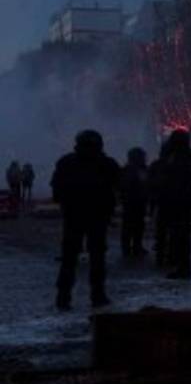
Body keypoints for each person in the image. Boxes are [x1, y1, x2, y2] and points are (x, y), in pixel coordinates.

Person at [51, 130, 119, 310]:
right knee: (97, 257)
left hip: (74, 216)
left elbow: (56, 191)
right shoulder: (106, 164)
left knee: (69, 258)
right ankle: (97, 295)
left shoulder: (66, 163)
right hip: (98, 217)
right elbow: (119, 186)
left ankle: (63, 297)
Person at [160, 129, 191, 279]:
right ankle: (181, 265)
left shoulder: (179, 158)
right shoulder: (190, 157)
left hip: (177, 199)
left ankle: (183, 267)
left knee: (179, 235)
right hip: (184, 199)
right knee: (180, 234)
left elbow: (168, 175)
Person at [118, 147, 149, 258]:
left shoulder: (128, 169)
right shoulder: (134, 170)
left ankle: (133, 247)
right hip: (133, 202)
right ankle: (131, 247)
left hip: (134, 202)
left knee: (135, 225)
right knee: (133, 226)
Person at [147, 140, 171, 267]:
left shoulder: (156, 165)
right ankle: (164, 255)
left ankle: (162, 256)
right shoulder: (158, 165)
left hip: (164, 202)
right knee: (166, 230)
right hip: (165, 202)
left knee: (163, 230)